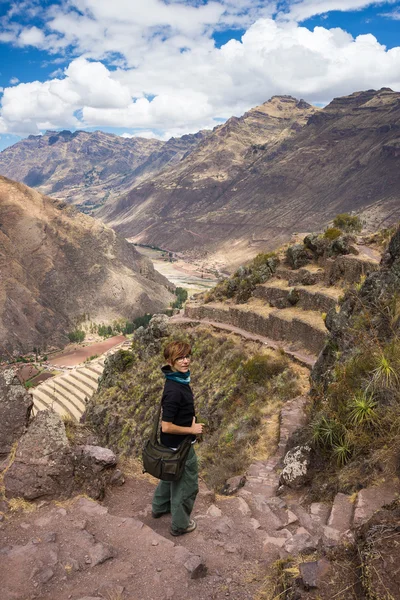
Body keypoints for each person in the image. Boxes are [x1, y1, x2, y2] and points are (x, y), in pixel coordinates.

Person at [151, 340, 203, 536]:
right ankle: (180, 525)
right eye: (179, 358)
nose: (185, 361)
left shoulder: (176, 380)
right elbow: (166, 426)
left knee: (169, 475)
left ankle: (159, 507)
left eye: (187, 356)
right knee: (187, 485)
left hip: (170, 447)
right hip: (181, 447)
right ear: (169, 361)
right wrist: (192, 430)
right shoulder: (174, 390)